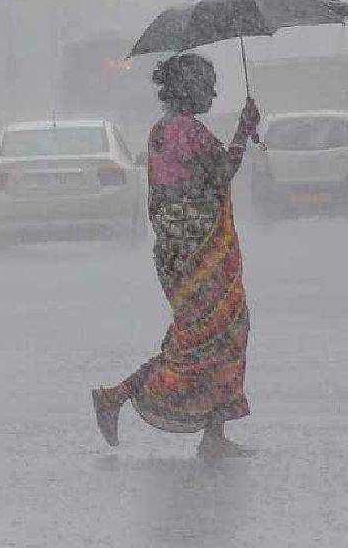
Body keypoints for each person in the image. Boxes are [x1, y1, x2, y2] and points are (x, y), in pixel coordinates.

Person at [91, 52, 262, 458]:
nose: (214, 92)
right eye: (208, 84)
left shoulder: (160, 132)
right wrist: (243, 130)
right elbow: (222, 173)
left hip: (173, 254)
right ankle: (118, 397)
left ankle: (209, 431)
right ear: (191, 88)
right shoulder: (190, 131)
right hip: (200, 253)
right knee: (213, 336)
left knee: (202, 337)